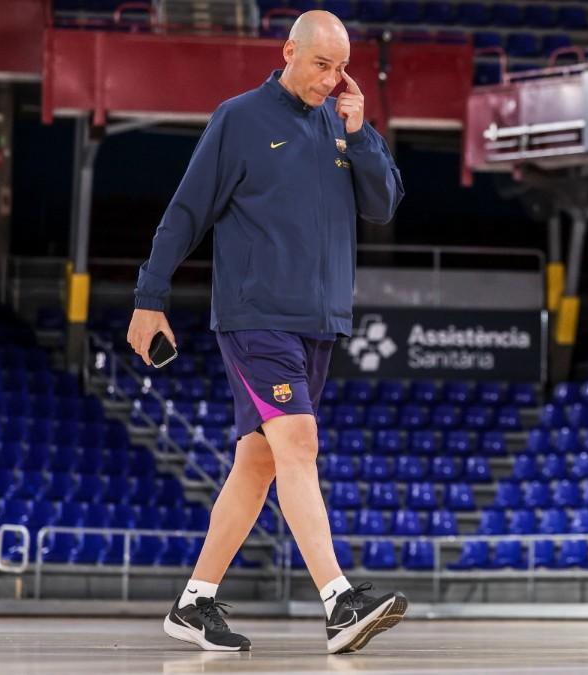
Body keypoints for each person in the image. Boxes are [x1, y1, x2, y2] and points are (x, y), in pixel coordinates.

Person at [126, 10, 405, 654]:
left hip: (319, 322)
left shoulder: (343, 124)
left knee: (256, 462)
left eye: (340, 69)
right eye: (319, 65)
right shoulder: (240, 119)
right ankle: (339, 601)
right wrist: (150, 297)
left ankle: (194, 603)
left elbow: (383, 204)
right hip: (256, 316)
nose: (330, 80)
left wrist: (361, 135)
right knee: (299, 443)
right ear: (289, 52)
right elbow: (186, 211)